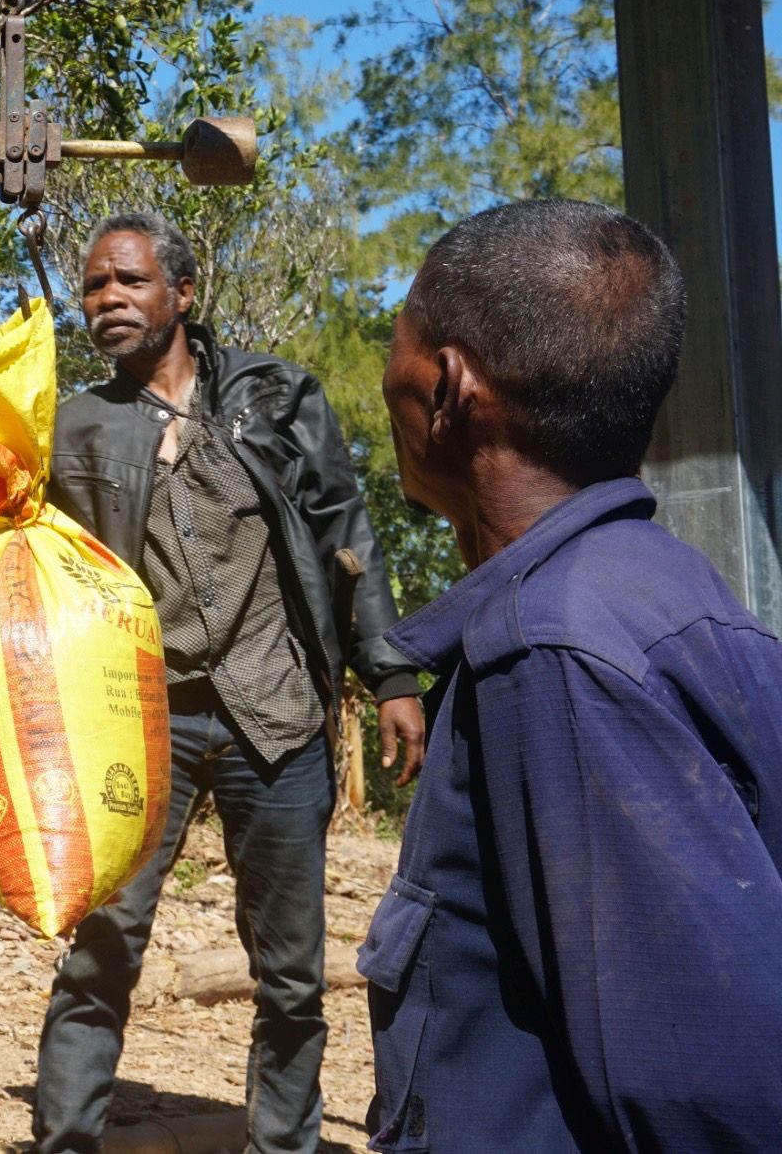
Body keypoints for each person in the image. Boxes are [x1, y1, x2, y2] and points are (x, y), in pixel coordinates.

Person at [362, 198, 782, 1151]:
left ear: (448, 386)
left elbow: (700, 1087)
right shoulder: (672, 590)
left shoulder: (549, 651)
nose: (390, 371)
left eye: (399, 340)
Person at [39, 212, 427, 1154]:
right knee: (102, 949)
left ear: (183, 292)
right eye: (94, 286)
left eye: (129, 281)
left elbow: (346, 532)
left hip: (276, 710)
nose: (108, 300)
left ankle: (282, 1144)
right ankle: (65, 1142)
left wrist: (391, 673)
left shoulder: (274, 396)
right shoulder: (78, 424)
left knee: (290, 973)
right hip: (141, 721)